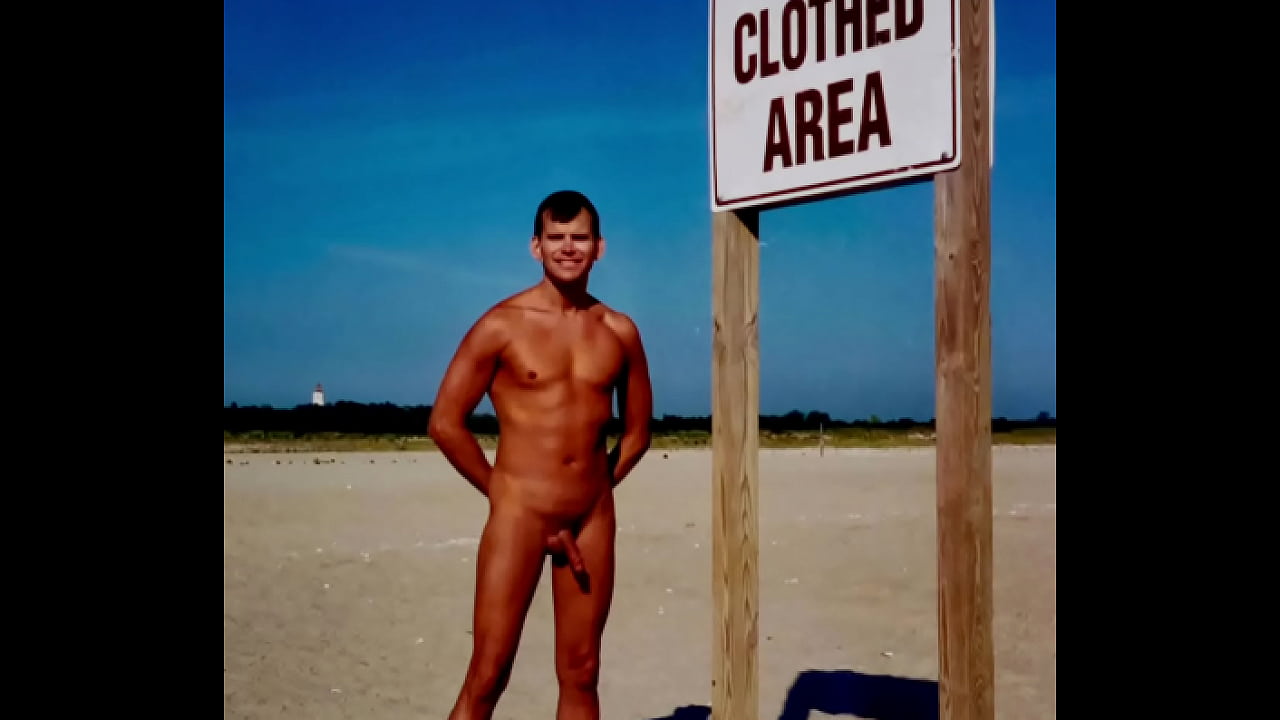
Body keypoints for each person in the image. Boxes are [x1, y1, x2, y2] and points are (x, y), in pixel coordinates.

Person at [427, 190, 653, 720]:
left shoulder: (619, 332)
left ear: (600, 248)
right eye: (557, 238)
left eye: (580, 238)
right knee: (489, 672)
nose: (568, 248)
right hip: (519, 516)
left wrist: (594, 488)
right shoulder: (501, 325)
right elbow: (445, 423)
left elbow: (639, 435)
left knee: (582, 672)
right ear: (536, 246)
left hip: (592, 517)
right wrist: (506, 494)